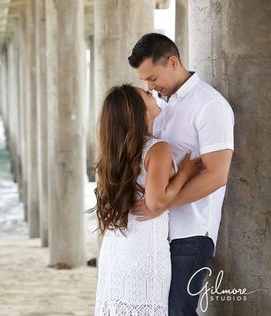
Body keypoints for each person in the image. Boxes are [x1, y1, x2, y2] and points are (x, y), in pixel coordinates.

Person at [128, 33, 234, 316]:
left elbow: (216, 175)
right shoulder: (160, 106)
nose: (149, 86)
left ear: (172, 62)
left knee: (179, 313)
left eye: (152, 78)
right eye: (145, 81)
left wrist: (160, 202)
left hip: (192, 233)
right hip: (156, 234)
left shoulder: (209, 105)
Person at [93, 84, 202, 315]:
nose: (152, 93)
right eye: (146, 94)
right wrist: (184, 173)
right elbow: (155, 203)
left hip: (115, 249)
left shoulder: (114, 152)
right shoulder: (158, 149)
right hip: (143, 251)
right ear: (143, 113)